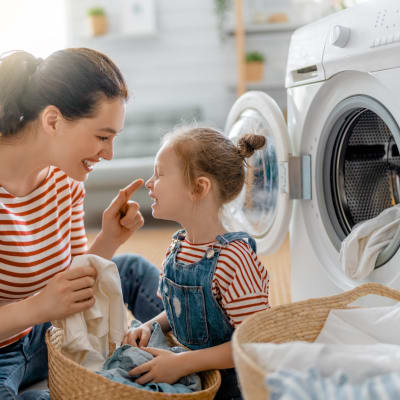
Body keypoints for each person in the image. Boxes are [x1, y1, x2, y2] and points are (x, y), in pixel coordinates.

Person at [0, 48, 163, 400]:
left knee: (129, 268)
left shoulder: (67, 179)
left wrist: (108, 240)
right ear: (53, 121)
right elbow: (49, 300)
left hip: (48, 335)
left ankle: (209, 357)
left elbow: (71, 281)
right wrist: (38, 307)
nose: (109, 154)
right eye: (103, 137)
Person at [123, 126, 270, 399]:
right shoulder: (178, 247)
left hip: (232, 387)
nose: (149, 182)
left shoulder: (235, 259)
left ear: (199, 187)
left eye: (160, 173)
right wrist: (149, 326)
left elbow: (253, 343)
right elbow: (180, 310)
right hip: (189, 373)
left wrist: (183, 363)